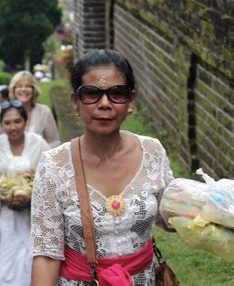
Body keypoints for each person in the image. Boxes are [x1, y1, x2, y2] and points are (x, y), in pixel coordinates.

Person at [31, 49, 175, 285]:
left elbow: (170, 219)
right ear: (75, 103)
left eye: (117, 93)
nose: (105, 104)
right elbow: (46, 254)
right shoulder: (54, 165)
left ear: (131, 100)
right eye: (91, 94)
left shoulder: (152, 152)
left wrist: (207, 208)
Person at [0, 101, 49, 286]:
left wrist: (33, 186)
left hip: (32, 214)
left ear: (26, 121)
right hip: (5, 215)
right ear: (1, 124)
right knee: (7, 262)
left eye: (17, 121)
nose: (13, 127)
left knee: (30, 260)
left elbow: (51, 174)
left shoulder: (38, 143)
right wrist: (0, 196)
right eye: (7, 123)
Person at [0, 71, 61, 148]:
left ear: (33, 89)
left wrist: (40, 152)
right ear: (13, 89)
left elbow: (55, 142)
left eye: (28, 86)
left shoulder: (44, 112)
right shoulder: (2, 110)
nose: (23, 89)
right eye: (19, 86)